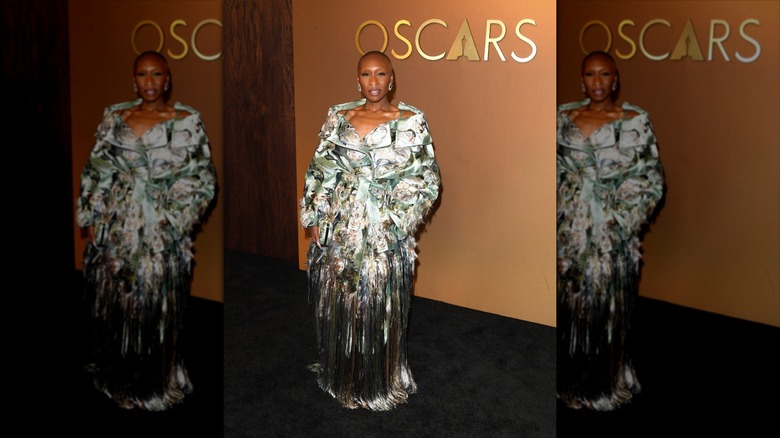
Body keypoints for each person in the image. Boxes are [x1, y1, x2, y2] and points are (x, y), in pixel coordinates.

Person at [299, 51, 441, 411]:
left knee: (379, 301)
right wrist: (315, 215)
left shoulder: (411, 121)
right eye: (366, 74)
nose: (374, 81)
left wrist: (396, 222)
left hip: (383, 229)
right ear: (357, 79)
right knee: (342, 297)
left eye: (381, 74)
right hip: (341, 223)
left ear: (391, 80)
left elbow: (427, 180)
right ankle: (340, 373)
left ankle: (377, 380)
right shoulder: (338, 116)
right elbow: (320, 169)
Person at [76, 51, 217, 411]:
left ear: (167, 80)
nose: (150, 81)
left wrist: (176, 223)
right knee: (119, 300)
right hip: (118, 224)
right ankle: (118, 374)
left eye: (157, 74)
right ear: (133, 80)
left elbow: (202, 180)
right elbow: (96, 169)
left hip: (160, 229)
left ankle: (156, 380)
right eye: (143, 74)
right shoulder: (114, 117)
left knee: (157, 302)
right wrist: (92, 217)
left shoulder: (186, 121)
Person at [556, 51, 664, 411]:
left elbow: (650, 180)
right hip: (570, 228)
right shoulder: (561, 117)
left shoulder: (634, 121)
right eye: (591, 74)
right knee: (573, 305)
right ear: (581, 80)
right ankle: (571, 378)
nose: (598, 81)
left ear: (615, 80)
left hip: (612, 232)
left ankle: (605, 382)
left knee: (608, 304)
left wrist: (620, 223)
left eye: (605, 74)